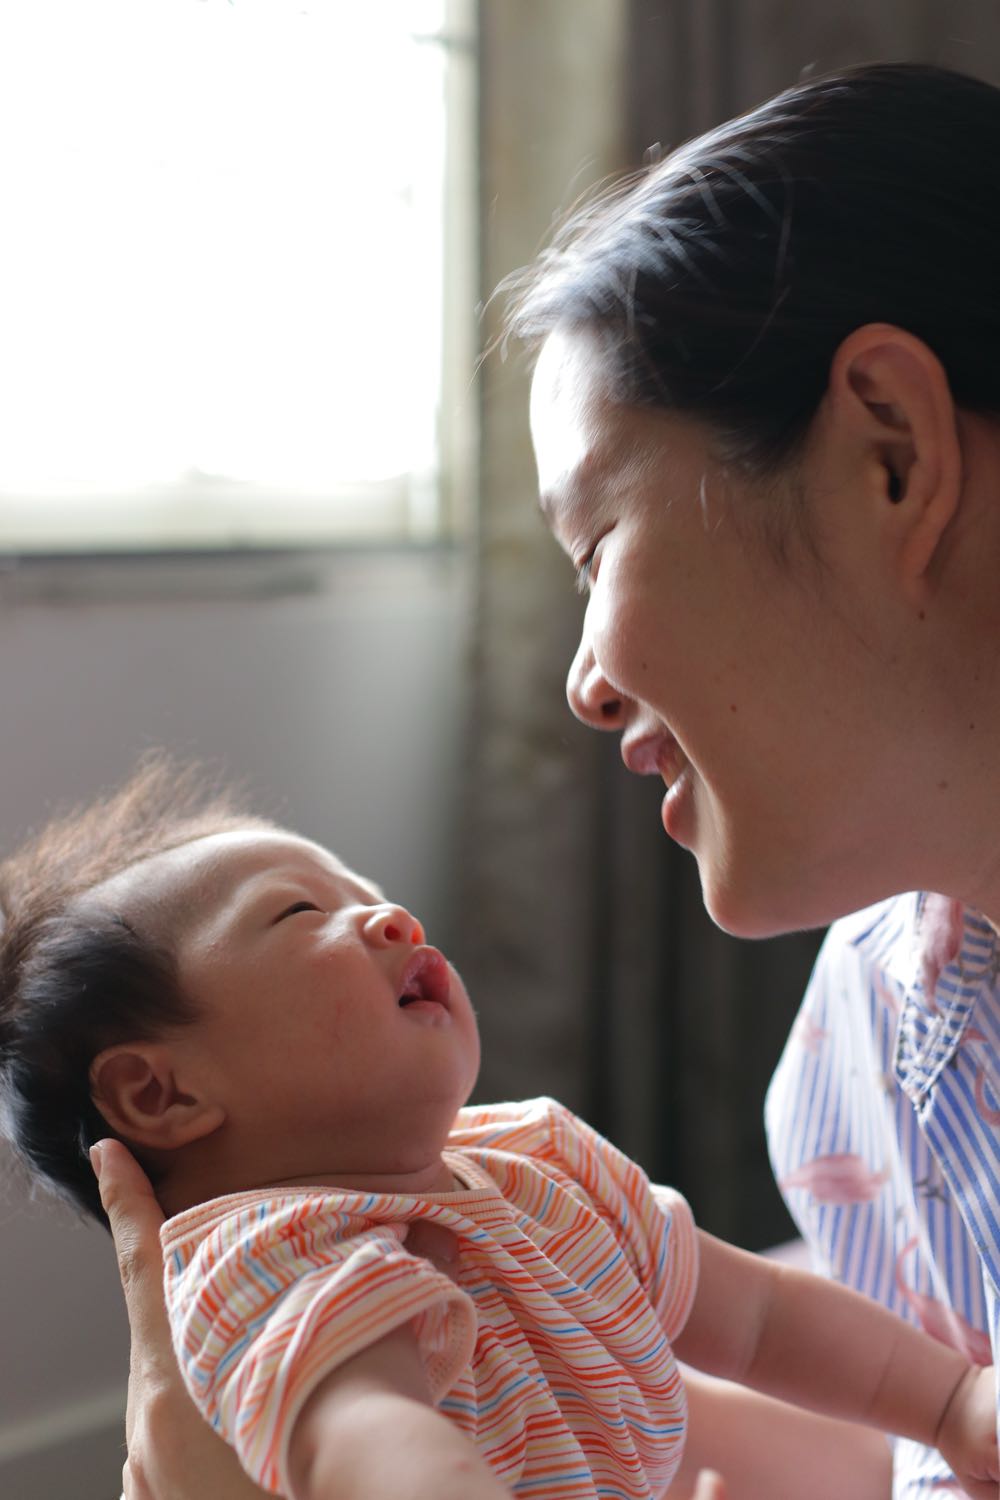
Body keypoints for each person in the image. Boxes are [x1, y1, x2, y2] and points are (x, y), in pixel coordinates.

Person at [58, 56, 1000, 1500]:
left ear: (890, 454)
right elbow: (894, 1429)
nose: (583, 686)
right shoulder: (876, 1016)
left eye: (598, 544)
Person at [1, 761, 996, 1500]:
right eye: (299, 913)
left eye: (369, 894)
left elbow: (757, 1318)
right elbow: (367, 1439)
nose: (393, 917)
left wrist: (948, 1403)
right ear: (161, 1094)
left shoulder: (535, 1158)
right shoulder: (264, 1265)